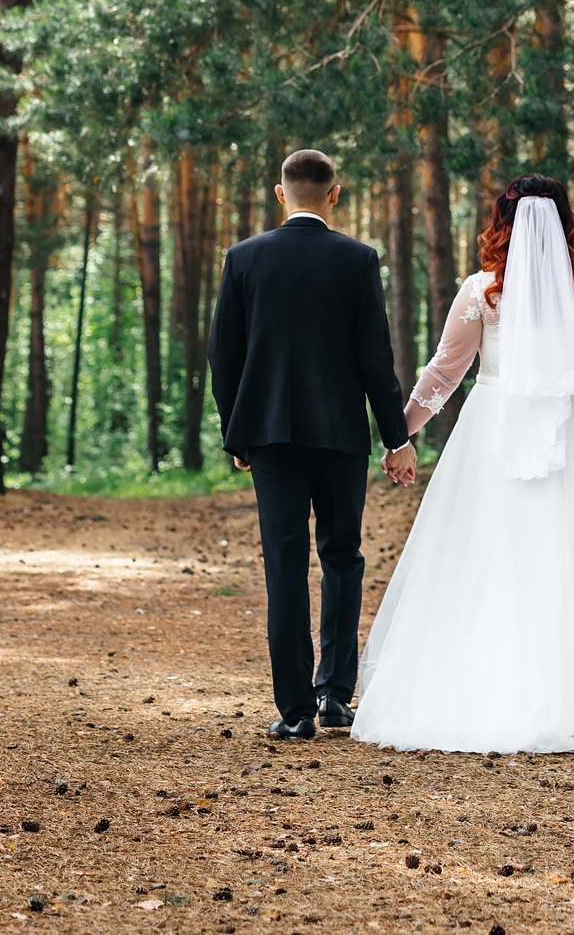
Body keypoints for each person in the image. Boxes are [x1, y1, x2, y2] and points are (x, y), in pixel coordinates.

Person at [351, 175, 574, 754]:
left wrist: (398, 435)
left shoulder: (480, 291)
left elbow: (444, 372)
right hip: (566, 431)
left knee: (483, 550)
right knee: (562, 554)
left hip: (492, 428)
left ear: (500, 225)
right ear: (565, 224)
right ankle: (567, 703)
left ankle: (472, 693)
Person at [208, 147, 419, 742]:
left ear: (280, 194)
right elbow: (375, 359)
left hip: (270, 436)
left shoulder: (243, 258)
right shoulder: (358, 259)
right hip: (340, 435)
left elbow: (224, 356)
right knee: (342, 557)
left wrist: (236, 432)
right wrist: (396, 438)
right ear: (335, 194)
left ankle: (296, 709)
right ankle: (335, 696)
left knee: (284, 562)